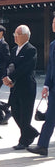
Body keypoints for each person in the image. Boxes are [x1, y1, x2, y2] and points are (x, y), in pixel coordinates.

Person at [2, 25, 39, 150]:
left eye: (17, 34)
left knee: (25, 115)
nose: (15, 37)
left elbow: (25, 68)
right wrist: (7, 76)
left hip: (27, 86)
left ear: (25, 36)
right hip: (15, 87)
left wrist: (11, 77)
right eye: (15, 34)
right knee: (15, 112)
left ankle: (24, 140)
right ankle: (31, 132)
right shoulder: (14, 50)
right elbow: (10, 65)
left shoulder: (31, 50)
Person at [27, 14, 55, 156]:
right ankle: (42, 146)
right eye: (53, 22)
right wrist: (46, 86)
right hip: (54, 89)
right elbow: (50, 68)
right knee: (50, 116)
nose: (53, 24)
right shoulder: (52, 45)